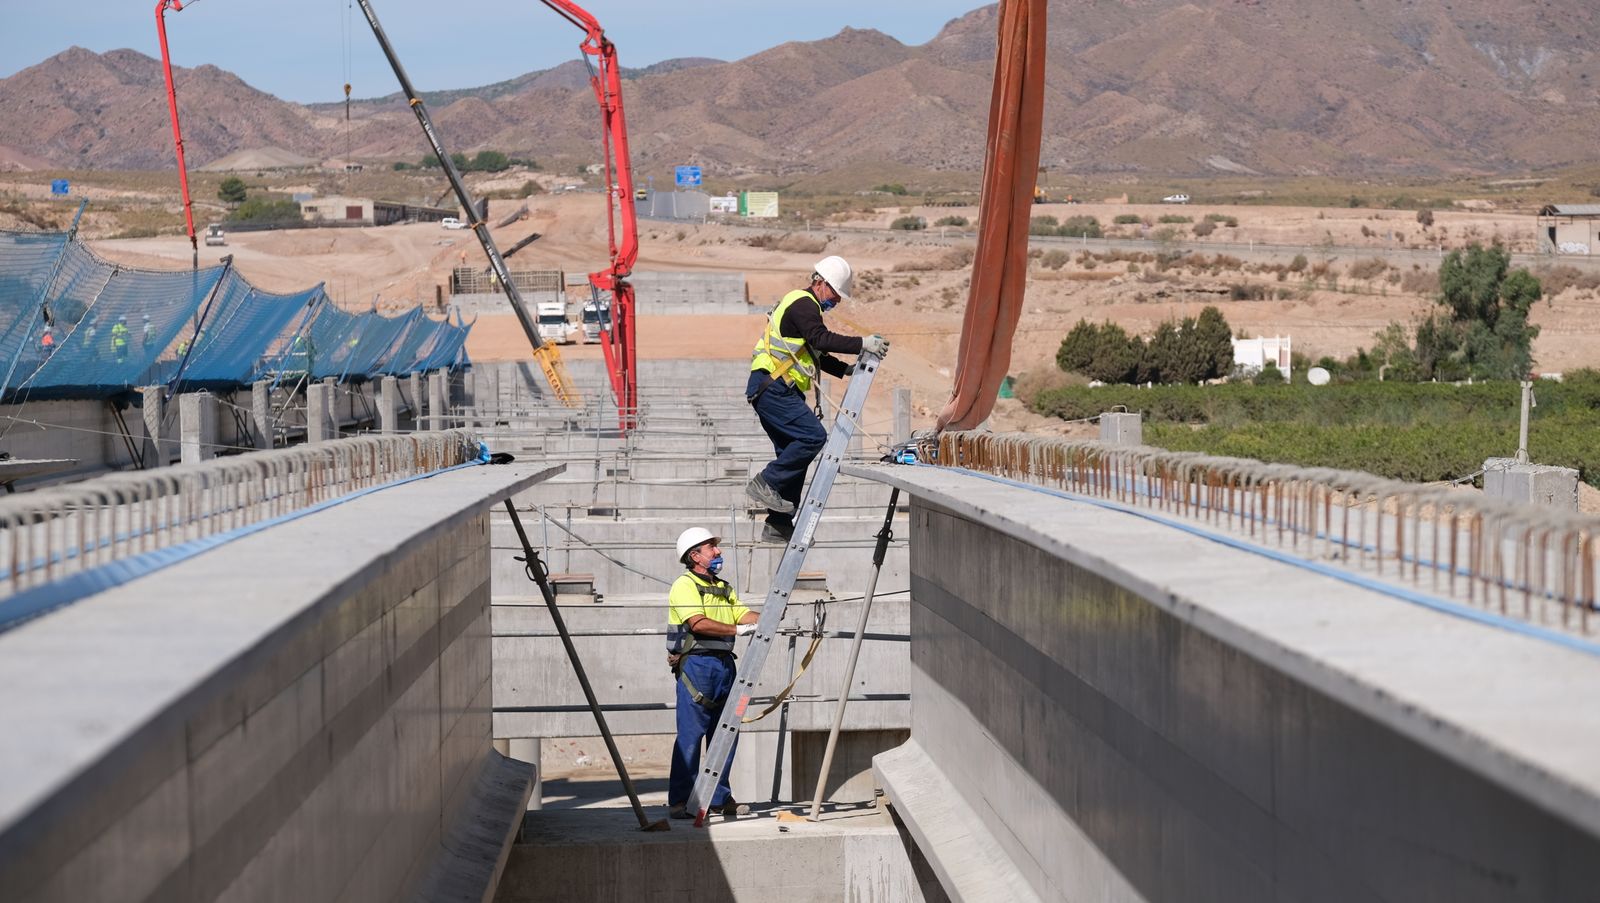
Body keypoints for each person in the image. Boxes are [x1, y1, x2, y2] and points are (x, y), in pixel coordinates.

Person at [745, 256, 889, 542]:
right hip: (773, 387)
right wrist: (862, 343)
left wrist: (844, 369)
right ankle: (765, 482)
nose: (836, 300)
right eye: (835, 293)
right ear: (820, 283)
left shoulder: (804, 308)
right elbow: (821, 339)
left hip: (774, 388)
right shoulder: (803, 303)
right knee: (811, 438)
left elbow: (815, 353)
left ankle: (779, 524)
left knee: (793, 455)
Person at [666, 527, 756, 819]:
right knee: (691, 736)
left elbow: (742, 614)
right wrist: (739, 630)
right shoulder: (684, 585)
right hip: (698, 666)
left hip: (724, 666)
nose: (718, 552)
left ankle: (719, 798)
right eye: (711, 548)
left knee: (726, 733)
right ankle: (681, 801)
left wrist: (769, 616)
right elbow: (698, 623)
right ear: (695, 556)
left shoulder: (723, 587)